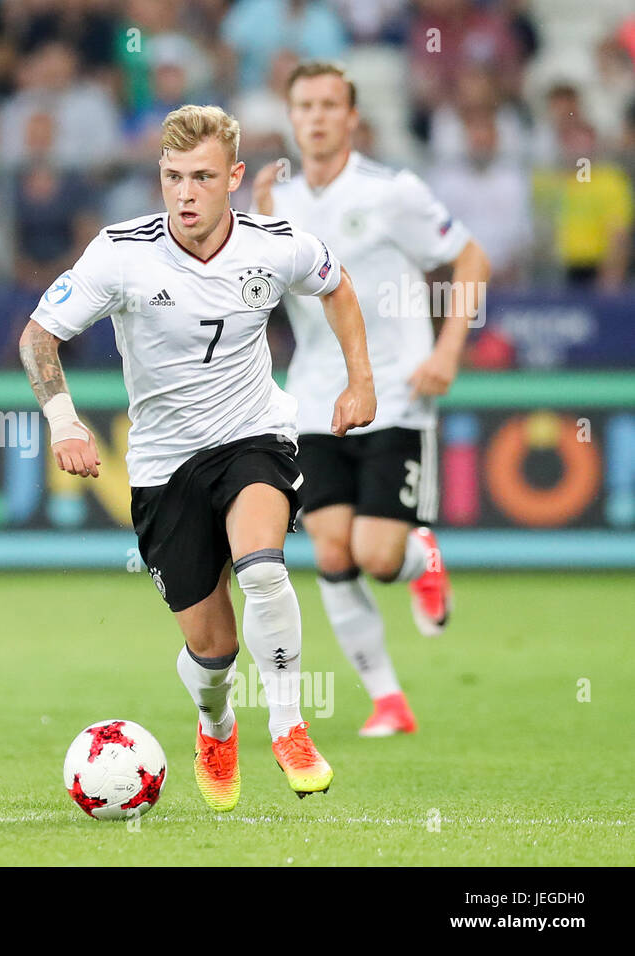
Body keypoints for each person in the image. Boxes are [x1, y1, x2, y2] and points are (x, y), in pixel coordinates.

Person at [19, 104, 377, 813]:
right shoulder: (120, 253)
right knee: (213, 651)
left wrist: (360, 379)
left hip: (254, 436)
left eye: (203, 177)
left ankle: (290, 726)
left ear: (234, 178)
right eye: (173, 176)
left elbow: (336, 285)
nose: (185, 193)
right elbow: (37, 338)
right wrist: (63, 421)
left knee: (264, 568)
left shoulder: (277, 246)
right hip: (162, 465)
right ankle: (216, 725)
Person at [253, 61, 491, 737]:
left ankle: (422, 558)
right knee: (331, 552)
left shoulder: (395, 192)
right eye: (306, 105)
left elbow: (471, 260)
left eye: (332, 104)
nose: (319, 116)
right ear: (292, 116)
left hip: (395, 392)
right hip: (315, 399)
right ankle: (389, 700)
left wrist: (447, 352)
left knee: (376, 555)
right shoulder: (274, 203)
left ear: (352, 117)